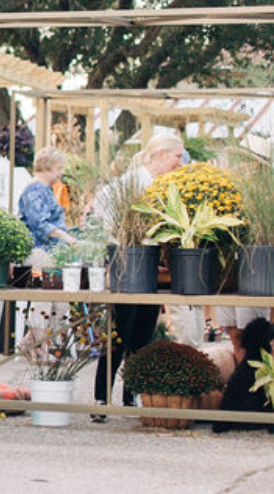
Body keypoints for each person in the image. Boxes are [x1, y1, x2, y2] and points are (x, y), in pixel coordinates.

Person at [86, 132, 185, 420]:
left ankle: (131, 398)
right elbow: (101, 212)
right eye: (177, 156)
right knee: (118, 335)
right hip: (128, 268)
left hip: (152, 270)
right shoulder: (132, 182)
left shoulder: (163, 185)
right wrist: (121, 243)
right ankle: (101, 401)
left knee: (142, 336)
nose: (180, 162)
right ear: (161, 155)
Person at [18, 147, 76, 250]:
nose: (61, 173)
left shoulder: (45, 189)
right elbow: (39, 224)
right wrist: (67, 238)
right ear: (46, 168)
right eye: (59, 168)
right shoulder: (34, 191)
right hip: (40, 253)